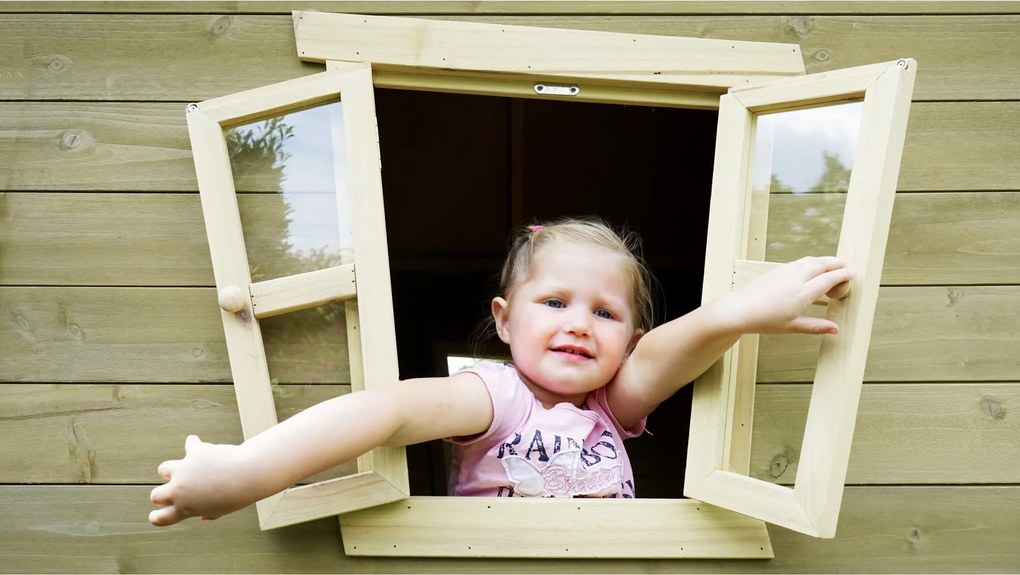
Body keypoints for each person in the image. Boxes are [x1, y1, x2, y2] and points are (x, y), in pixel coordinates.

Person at [149, 216, 853, 525]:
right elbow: (384, 412)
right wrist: (250, 471)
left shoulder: (611, 407)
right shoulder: (494, 394)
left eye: (606, 313)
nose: (579, 323)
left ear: (628, 340)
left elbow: (668, 353)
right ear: (505, 319)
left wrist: (737, 313)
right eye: (555, 302)